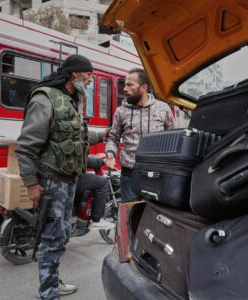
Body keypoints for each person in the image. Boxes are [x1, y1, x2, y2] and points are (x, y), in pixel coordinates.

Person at [15, 54, 106, 300]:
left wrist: (102, 135)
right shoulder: (45, 98)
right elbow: (25, 147)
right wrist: (32, 184)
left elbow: (75, 136)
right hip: (51, 179)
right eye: (88, 75)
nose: (91, 80)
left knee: (63, 233)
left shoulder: (71, 99)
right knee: (53, 236)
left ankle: (52, 281)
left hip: (69, 179)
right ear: (74, 74)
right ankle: (48, 292)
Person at [105, 68, 177, 202]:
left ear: (143, 87)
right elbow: (113, 138)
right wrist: (110, 153)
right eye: (125, 84)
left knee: (155, 213)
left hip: (157, 173)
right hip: (129, 174)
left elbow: (173, 137)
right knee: (130, 213)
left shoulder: (163, 108)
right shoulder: (120, 111)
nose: (124, 89)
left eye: (129, 84)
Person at [73, 156, 115, 236]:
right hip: (70, 176)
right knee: (102, 183)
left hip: (57, 174)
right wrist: (102, 161)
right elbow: (80, 159)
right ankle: (96, 220)